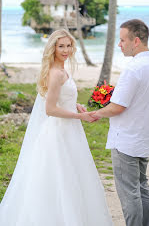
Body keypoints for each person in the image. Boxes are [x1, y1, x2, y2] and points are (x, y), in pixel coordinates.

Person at [0, 29, 113, 226]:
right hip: (58, 133)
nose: (66, 50)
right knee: (59, 178)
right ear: (52, 48)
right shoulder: (55, 74)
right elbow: (50, 109)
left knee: (74, 177)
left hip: (69, 130)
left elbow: (62, 99)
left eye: (69, 45)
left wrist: (75, 105)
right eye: (61, 46)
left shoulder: (63, 70)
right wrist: (80, 116)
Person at [90, 19, 149, 226]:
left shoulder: (134, 69)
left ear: (137, 41)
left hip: (126, 140)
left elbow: (117, 107)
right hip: (144, 138)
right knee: (142, 186)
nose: (119, 44)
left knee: (129, 193)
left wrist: (94, 114)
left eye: (123, 40)